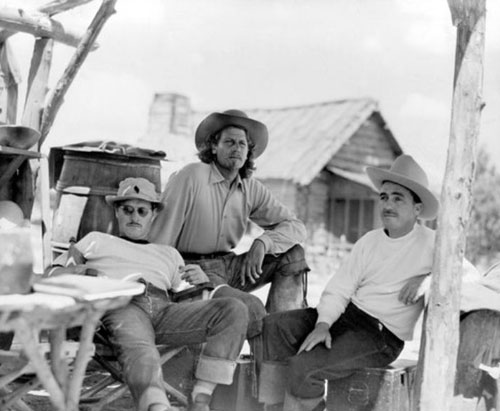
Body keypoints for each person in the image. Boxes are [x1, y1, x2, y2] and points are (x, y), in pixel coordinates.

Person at [257, 154, 456, 411]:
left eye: (398, 198)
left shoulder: (434, 244)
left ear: (417, 209)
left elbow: (467, 276)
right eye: (384, 197)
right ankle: (279, 406)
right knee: (273, 326)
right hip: (346, 318)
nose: (388, 205)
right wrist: (323, 324)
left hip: (381, 335)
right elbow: (340, 288)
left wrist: (429, 279)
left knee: (304, 368)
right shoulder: (369, 241)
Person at [50, 177, 249, 411]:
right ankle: (156, 405)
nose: (135, 217)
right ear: (117, 211)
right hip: (122, 304)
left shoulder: (169, 253)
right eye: (128, 210)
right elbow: (54, 275)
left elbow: (188, 296)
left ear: (153, 214)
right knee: (142, 347)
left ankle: (201, 397)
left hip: (166, 310)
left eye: (142, 211)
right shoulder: (95, 240)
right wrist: (82, 271)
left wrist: (201, 282)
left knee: (233, 309)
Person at [150, 109, 310, 340]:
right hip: (191, 268)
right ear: (213, 147)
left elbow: (295, 226)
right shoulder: (191, 176)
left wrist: (264, 242)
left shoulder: (251, 187)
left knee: (293, 255)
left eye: (242, 144)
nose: (237, 148)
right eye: (229, 142)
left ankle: (282, 340)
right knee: (251, 309)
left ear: (248, 153)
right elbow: (160, 240)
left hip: (231, 267)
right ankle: (267, 359)